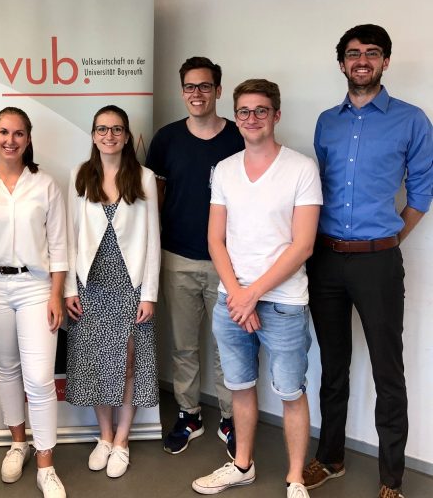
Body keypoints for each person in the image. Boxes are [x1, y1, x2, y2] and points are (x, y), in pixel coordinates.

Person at [303, 24, 433, 498]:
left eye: (372, 53)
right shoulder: (326, 122)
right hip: (326, 260)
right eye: (354, 53)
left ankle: (391, 478)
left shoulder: (412, 120)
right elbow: (316, 188)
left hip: (378, 263)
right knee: (332, 366)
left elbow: (422, 191)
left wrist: (391, 237)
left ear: (385, 62)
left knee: (387, 370)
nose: (362, 61)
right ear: (341, 63)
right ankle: (330, 458)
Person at [192, 79, 322, 498]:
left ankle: (296, 478)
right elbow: (215, 239)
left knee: (291, 393)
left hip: (283, 303)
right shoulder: (225, 169)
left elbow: (302, 245)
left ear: (276, 115)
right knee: (240, 387)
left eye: (261, 110)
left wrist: (252, 295)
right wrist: (238, 294)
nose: (252, 118)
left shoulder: (301, 168)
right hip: (232, 301)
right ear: (236, 117)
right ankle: (242, 465)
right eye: (244, 111)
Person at [0, 106, 68, 498]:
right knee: (7, 370)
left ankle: (46, 464)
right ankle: (17, 443)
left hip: (36, 288)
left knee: (39, 377)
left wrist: (56, 294)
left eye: (19, 133)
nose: (11, 140)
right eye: (4, 132)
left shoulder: (46, 185)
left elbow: (59, 245)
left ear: (28, 139)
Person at [145, 56, 245, 456]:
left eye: (205, 86)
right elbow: (156, 198)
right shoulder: (166, 139)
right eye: (190, 86)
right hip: (178, 258)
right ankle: (189, 414)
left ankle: (231, 419)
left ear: (218, 90)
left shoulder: (240, 137)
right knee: (183, 346)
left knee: (228, 347)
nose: (197, 93)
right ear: (182, 91)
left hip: (229, 263)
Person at [65, 104, 160, 478]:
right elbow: (69, 235)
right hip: (90, 283)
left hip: (130, 283)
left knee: (128, 362)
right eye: (102, 129)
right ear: (93, 135)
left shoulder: (144, 177)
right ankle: (104, 435)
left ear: (127, 135)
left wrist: (149, 293)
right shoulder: (79, 175)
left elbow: (152, 239)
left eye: (117, 129)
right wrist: (69, 288)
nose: (109, 135)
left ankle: (122, 440)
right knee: (96, 361)